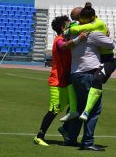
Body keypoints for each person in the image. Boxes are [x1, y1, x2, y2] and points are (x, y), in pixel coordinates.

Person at [59, 4, 116, 151]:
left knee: (79, 108)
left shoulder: (72, 33)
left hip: (75, 73)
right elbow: (111, 45)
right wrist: (107, 34)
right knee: (94, 108)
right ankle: (88, 142)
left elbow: (64, 41)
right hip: (89, 72)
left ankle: (71, 138)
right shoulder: (93, 33)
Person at [33, 15, 87, 146]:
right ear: (63, 27)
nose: (71, 26)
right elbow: (63, 47)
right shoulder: (59, 40)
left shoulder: (68, 38)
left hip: (67, 81)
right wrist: (79, 38)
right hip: (57, 82)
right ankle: (39, 136)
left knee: (76, 106)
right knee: (54, 110)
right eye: (68, 24)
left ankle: (65, 128)